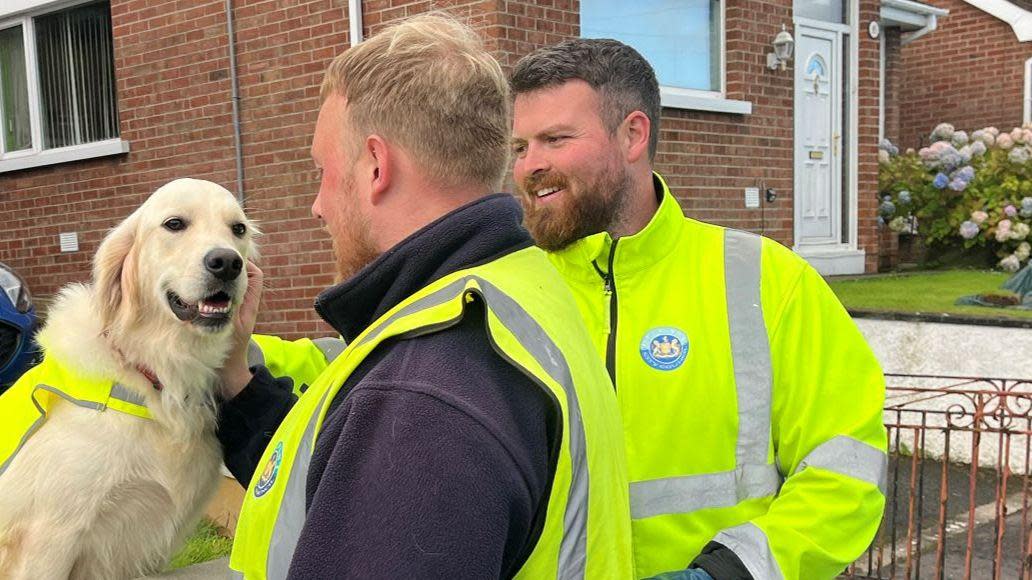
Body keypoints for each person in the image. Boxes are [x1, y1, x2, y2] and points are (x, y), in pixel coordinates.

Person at [215, 15, 633, 580]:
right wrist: (238, 385)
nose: (317, 205)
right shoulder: (523, 289)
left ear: (376, 167)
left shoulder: (425, 393)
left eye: (322, 172)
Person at [509, 39, 888, 580]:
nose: (530, 166)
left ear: (633, 135)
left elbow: (846, 466)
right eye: (520, 147)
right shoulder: (506, 292)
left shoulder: (769, 280)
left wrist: (727, 574)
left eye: (555, 139)